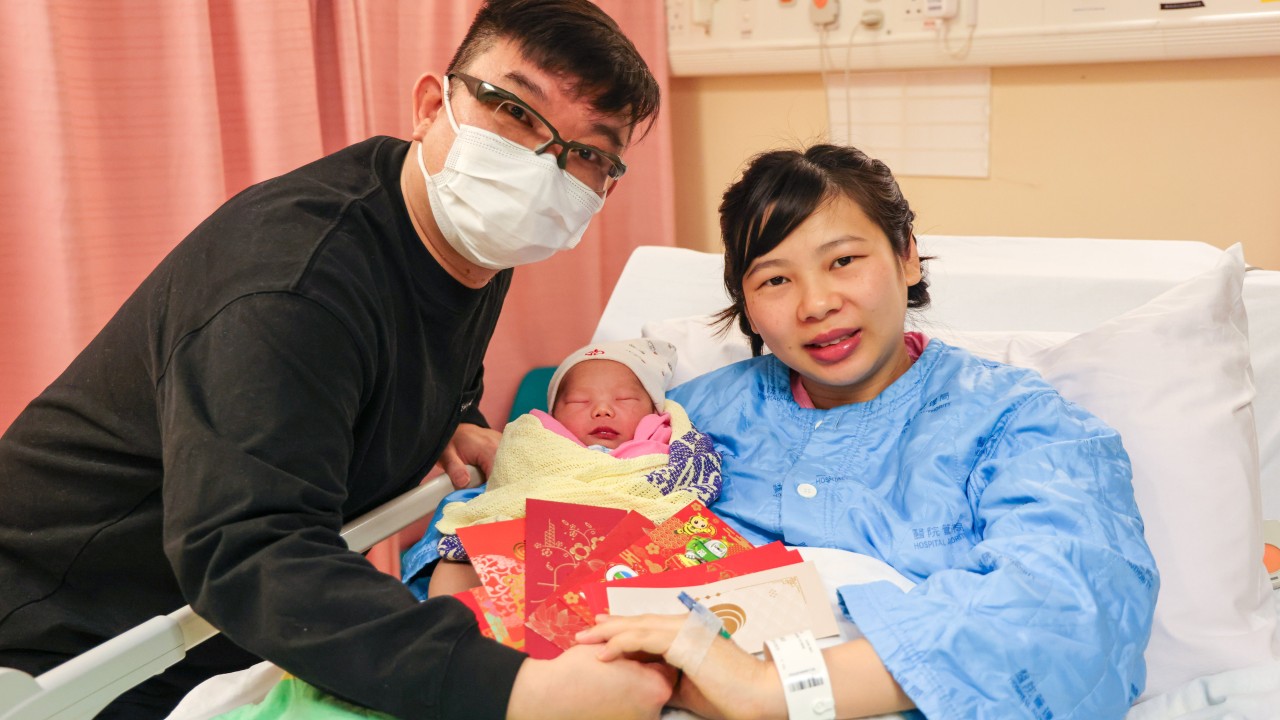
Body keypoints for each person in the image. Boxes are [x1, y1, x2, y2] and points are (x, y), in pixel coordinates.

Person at [0, 2, 674, 719]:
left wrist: (451, 415)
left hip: (217, 630)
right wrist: (515, 689)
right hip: (61, 640)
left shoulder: (469, 243)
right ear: (429, 105)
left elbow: (405, 352)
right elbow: (248, 545)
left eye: (590, 155)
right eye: (515, 111)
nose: (545, 169)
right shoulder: (294, 280)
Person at [576, 145, 1159, 719]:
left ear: (907, 257)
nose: (818, 303)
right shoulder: (688, 417)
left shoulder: (1020, 423)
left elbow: (1074, 602)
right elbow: (561, 509)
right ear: (748, 307)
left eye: (843, 261)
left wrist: (766, 689)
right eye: (775, 280)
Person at [408, 338, 722, 598]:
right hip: (533, 543)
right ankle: (451, 631)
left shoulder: (667, 447)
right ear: (554, 416)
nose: (601, 410)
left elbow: (685, 493)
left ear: (655, 410)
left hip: (629, 553)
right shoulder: (537, 444)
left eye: (624, 399)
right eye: (579, 402)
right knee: (459, 558)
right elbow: (514, 487)